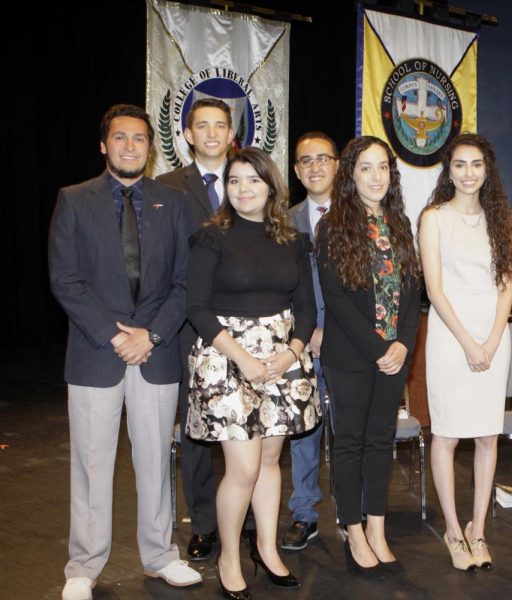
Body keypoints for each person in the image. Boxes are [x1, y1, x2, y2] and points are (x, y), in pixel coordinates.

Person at [49, 104, 201, 600]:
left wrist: (150, 336)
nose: (130, 146)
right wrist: (115, 336)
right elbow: (65, 279)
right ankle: (85, 565)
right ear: (103, 144)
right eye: (120, 138)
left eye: (139, 138)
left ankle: (159, 556)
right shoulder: (74, 200)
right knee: (91, 465)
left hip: (155, 355)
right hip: (96, 353)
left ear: (150, 147)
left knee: (157, 461)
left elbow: (184, 282)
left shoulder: (172, 202)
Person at [186, 147, 318, 598]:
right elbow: (197, 309)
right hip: (226, 356)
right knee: (241, 468)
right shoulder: (211, 237)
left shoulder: (293, 239)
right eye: (235, 180)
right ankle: (228, 555)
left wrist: (292, 352)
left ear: (271, 187)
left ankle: (266, 548)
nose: (243, 189)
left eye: (253, 180)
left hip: (282, 358)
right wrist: (242, 357)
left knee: (267, 461)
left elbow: (305, 308)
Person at [317, 136, 421, 577]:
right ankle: (353, 529)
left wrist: (403, 345)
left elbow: (415, 292)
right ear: (350, 174)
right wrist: (381, 348)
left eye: (383, 168)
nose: (376, 177)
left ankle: (378, 529)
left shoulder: (400, 224)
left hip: (395, 356)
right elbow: (337, 301)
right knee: (351, 442)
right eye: (366, 168)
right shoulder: (333, 227)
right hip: (351, 357)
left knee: (381, 441)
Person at [419, 134, 512, 571]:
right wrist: (468, 342)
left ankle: (479, 528)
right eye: (460, 164)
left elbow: (506, 285)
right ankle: (454, 532)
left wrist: (492, 339)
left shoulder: (500, 220)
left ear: (487, 169)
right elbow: (435, 290)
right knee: (447, 434)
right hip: (450, 336)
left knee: (486, 435)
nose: (469, 173)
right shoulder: (434, 218)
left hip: (493, 337)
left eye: (476, 165)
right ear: (448, 169)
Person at [157, 97, 235, 561]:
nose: (210, 133)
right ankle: (204, 523)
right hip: (190, 325)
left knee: (247, 430)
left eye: (219, 125)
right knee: (198, 429)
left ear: (230, 134)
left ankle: (244, 518)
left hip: (249, 323)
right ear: (187, 135)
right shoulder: (165, 186)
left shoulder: (254, 180)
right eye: (201, 126)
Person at [282, 132, 340, 552]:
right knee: (303, 434)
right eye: (307, 161)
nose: (315, 167)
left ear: (337, 164)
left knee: (349, 433)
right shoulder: (282, 223)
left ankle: (355, 513)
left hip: (351, 344)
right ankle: (304, 513)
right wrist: (306, 334)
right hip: (301, 344)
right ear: (297, 170)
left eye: (323, 159)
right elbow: (277, 288)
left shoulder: (360, 217)